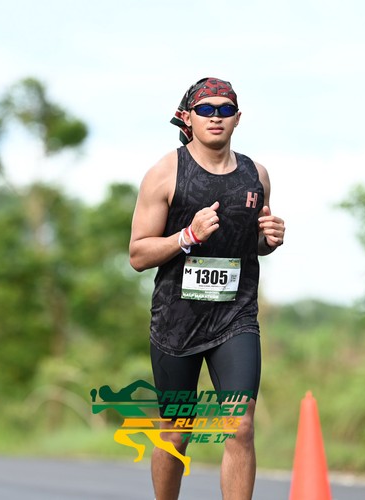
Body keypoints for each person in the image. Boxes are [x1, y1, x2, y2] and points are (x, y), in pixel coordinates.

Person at [129, 77, 285, 500]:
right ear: (188, 117)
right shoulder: (165, 172)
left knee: (240, 424)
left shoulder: (256, 175)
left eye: (224, 109)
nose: (215, 117)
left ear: (237, 118)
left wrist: (267, 240)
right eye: (205, 109)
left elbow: (252, 243)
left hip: (235, 316)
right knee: (177, 430)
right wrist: (188, 236)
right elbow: (138, 254)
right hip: (177, 320)